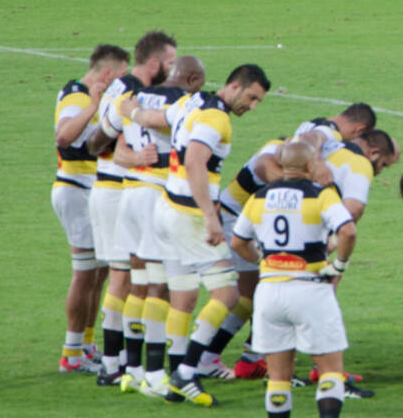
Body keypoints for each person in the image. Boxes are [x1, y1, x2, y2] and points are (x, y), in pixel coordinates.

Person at [139, 63, 271, 406]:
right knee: (226, 295)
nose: (252, 106)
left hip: (165, 209)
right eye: (252, 97)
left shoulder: (191, 102)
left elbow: (156, 118)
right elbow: (196, 161)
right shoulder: (217, 118)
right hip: (189, 216)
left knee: (182, 297)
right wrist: (212, 218)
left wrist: (131, 111)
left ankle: (173, 378)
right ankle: (187, 371)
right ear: (235, 86)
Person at [228, 141, 358, 418]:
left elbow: (238, 242)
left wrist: (262, 260)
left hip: (270, 292)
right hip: (310, 289)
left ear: (282, 165)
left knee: (278, 378)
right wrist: (339, 264)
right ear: (311, 166)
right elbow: (348, 231)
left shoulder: (258, 197)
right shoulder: (321, 195)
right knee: (330, 370)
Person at [93, 31, 177, 389]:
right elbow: (96, 143)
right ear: (155, 63)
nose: (172, 72)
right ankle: (117, 364)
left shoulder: (122, 89)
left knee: (127, 279)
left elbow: (103, 139)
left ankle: (122, 363)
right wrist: (133, 157)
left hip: (118, 188)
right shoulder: (131, 95)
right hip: (121, 189)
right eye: (170, 63)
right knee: (127, 279)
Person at [52, 45, 128, 374]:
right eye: (122, 75)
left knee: (99, 273)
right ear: (107, 73)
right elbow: (63, 136)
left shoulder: (87, 96)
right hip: (75, 191)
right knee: (84, 275)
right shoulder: (76, 96)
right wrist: (95, 104)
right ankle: (71, 353)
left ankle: (86, 344)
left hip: (88, 191)